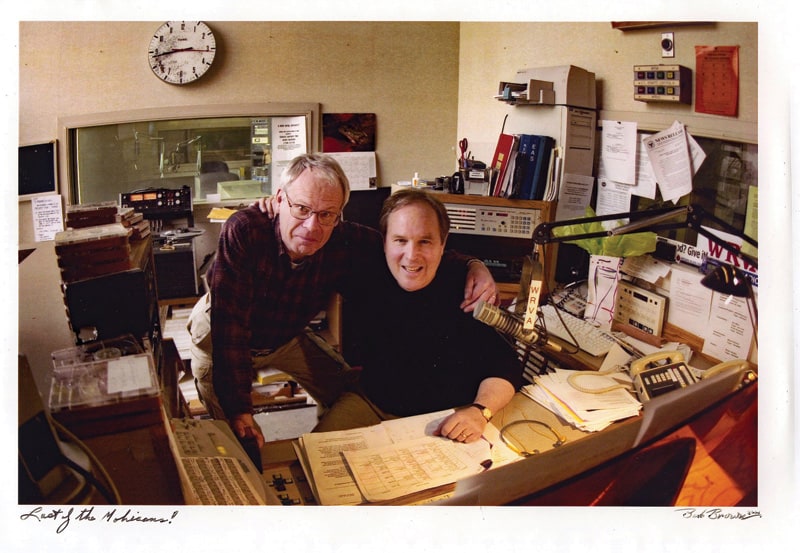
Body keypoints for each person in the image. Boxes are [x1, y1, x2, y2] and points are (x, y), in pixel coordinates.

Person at [187, 153, 498, 448]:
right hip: (223, 334)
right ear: (280, 199)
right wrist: (241, 409)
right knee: (234, 430)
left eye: (326, 214)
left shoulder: (343, 238)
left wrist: (474, 265)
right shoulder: (245, 230)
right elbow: (231, 328)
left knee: (346, 390)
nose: (312, 226)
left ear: (338, 215)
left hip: (285, 336)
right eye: (301, 209)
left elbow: (406, 248)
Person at [314, 188, 523, 443]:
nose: (411, 255)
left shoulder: (468, 288)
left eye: (425, 241)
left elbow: (505, 366)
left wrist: (480, 411)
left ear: (443, 243)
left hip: (447, 415)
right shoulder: (365, 270)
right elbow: (307, 236)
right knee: (317, 455)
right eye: (400, 240)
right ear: (384, 241)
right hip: (372, 403)